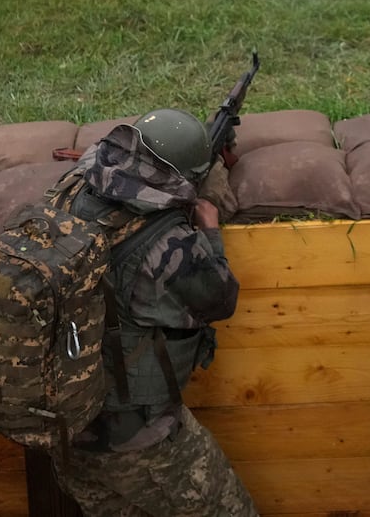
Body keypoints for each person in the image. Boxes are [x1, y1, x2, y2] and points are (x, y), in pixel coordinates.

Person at [51, 108, 259, 517]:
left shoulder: (69, 191)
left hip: (64, 429)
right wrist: (210, 229)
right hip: (136, 438)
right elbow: (220, 298)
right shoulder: (169, 245)